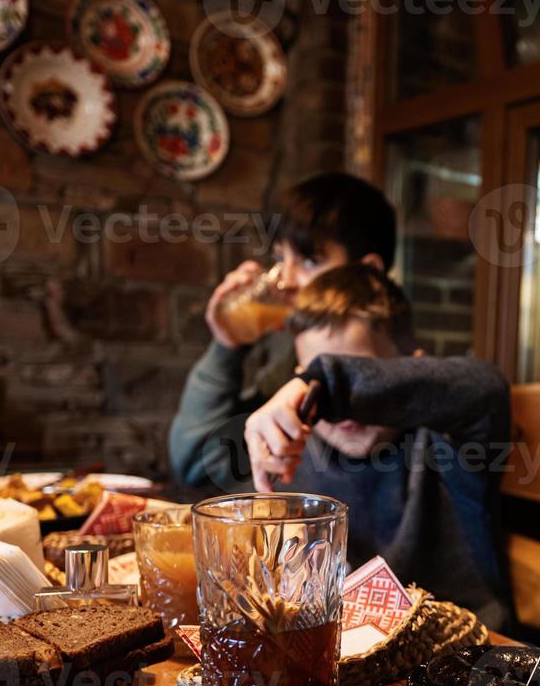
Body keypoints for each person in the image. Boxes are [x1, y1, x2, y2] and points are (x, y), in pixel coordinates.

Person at [242, 265, 514, 632]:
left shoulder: (448, 447)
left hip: (463, 653)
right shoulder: (299, 453)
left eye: (362, 374)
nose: (339, 410)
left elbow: (487, 389)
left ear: (410, 373)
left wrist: (328, 384)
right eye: (312, 381)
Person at [168, 173, 398, 489]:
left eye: (308, 260)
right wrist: (226, 347)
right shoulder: (289, 368)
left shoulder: (405, 376)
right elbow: (198, 465)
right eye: (279, 258)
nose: (285, 280)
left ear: (369, 273)